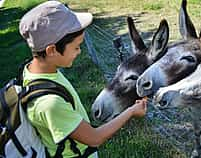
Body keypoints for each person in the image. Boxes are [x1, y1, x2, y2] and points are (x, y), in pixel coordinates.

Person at [19, 1, 147, 157]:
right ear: (52, 50)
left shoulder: (34, 71)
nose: (79, 52)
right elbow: (95, 138)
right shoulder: (50, 104)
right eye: (77, 47)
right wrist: (131, 111)